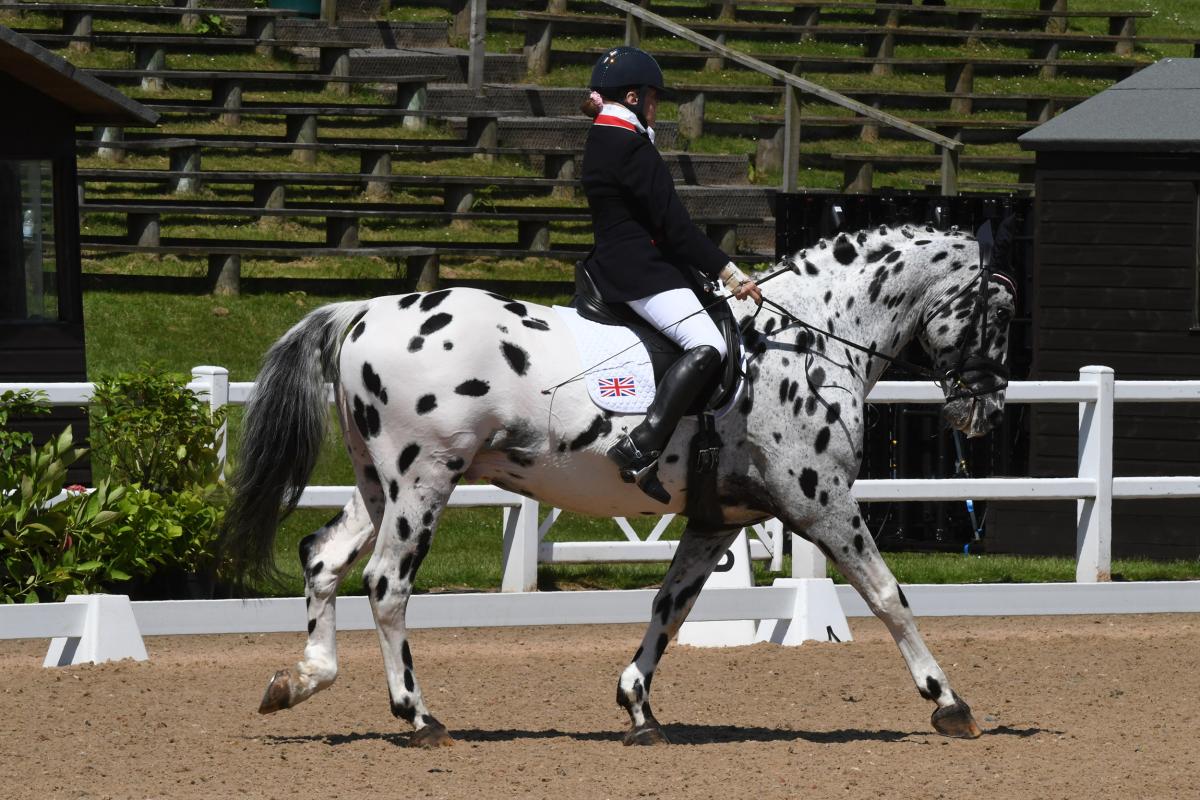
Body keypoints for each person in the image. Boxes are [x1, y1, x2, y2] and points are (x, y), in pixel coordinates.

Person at [579, 46, 761, 502]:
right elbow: (674, 227)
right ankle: (642, 445)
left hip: (620, 263)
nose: (657, 107)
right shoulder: (629, 146)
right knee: (710, 345)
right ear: (635, 98)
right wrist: (730, 273)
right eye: (653, 98)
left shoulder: (605, 136)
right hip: (640, 272)